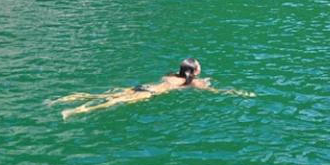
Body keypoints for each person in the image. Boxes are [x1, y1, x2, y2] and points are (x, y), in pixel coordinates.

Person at [49, 58, 254, 119]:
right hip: (149, 93)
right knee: (112, 102)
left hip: (143, 87)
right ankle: (76, 111)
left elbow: (174, 81)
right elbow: (215, 91)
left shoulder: (171, 76)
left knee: (102, 94)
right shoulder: (192, 83)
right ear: (195, 71)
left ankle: (61, 99)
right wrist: (238, 93)